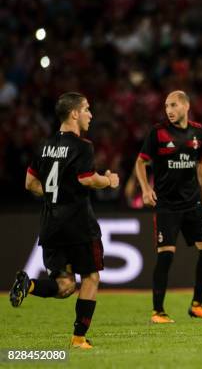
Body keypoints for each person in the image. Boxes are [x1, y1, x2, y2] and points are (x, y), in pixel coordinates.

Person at [10, 92, 120, 349]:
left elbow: (30, 184)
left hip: (50, 223)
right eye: (87, 109)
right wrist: (108, 181)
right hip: (78, 223)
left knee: (65, 285)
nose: (90, 115)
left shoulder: (44, 145)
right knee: (91, 277)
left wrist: (54, 193)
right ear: (74, 113)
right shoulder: (83, 146)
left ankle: (30, 284)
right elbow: (86, 179)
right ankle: (79, 338)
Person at [135, 90, 202, 324]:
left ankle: (198, 304)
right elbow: (141, 162)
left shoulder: (198, 132)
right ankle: (158, 312)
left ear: (185, 106)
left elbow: (200, 160)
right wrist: (145, 189)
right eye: (166, 106)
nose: (169, 110)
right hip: (167, 205)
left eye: (173, 105)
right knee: (166, 256)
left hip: (193, 202)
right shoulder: (158, 132)